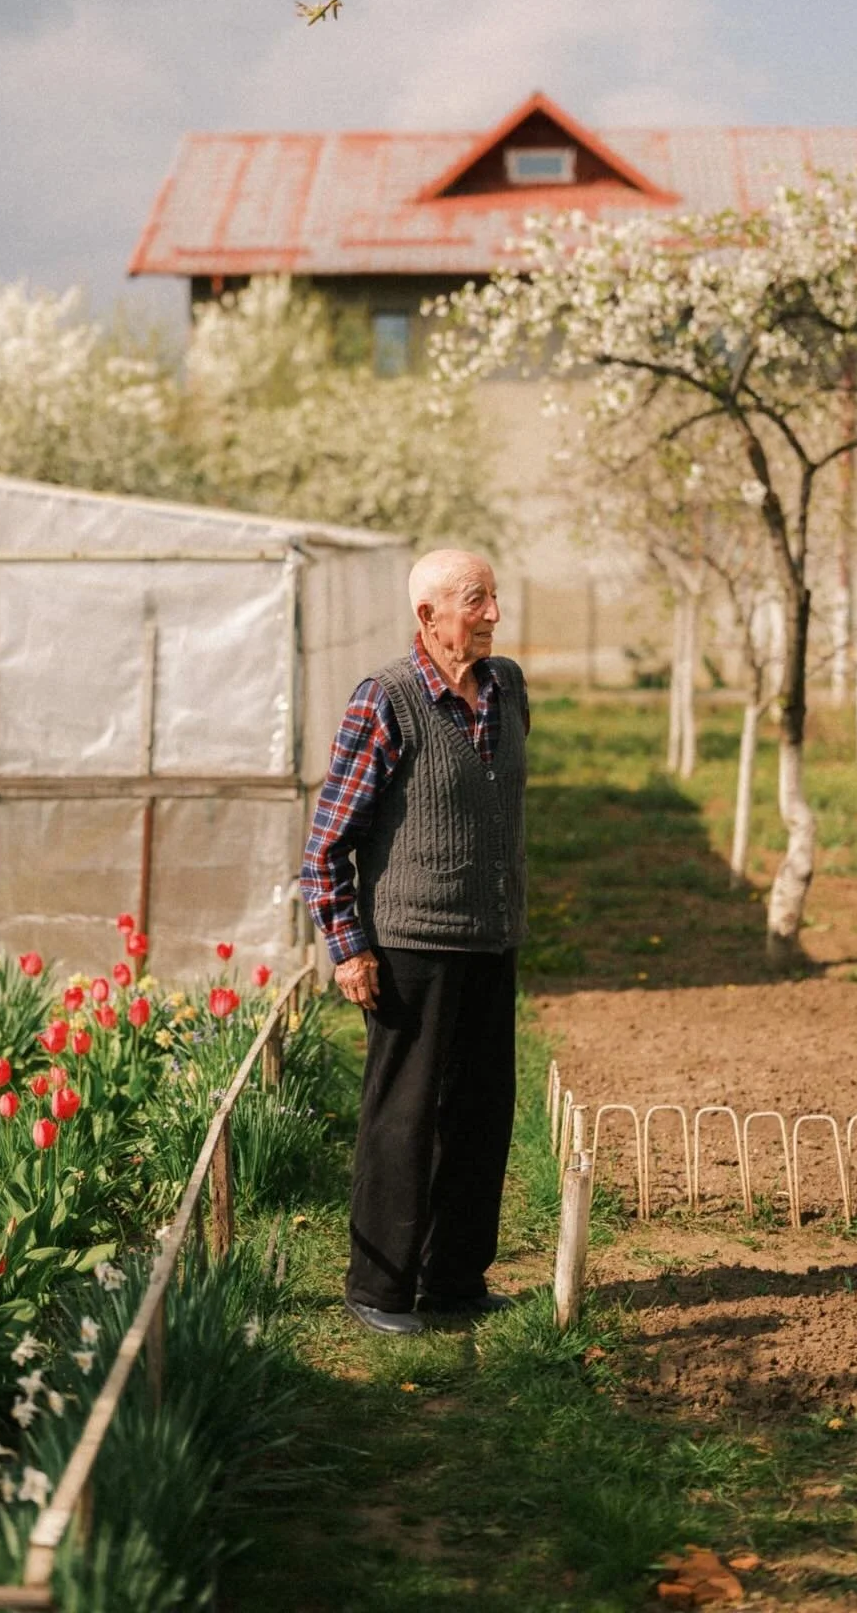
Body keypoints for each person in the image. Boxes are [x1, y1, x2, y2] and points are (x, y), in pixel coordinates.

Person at [300, 547, 528, 1335]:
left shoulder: (508, 689)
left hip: (491, 939)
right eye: (476, 599)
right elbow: (326, 845)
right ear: (428, 616)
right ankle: (380, 1289)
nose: (494, 613)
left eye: (493, 597)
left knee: (481, 1114)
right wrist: (348, 946)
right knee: (403, 1119)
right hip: (409, 946)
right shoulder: (386, 701)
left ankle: (455, 1280)